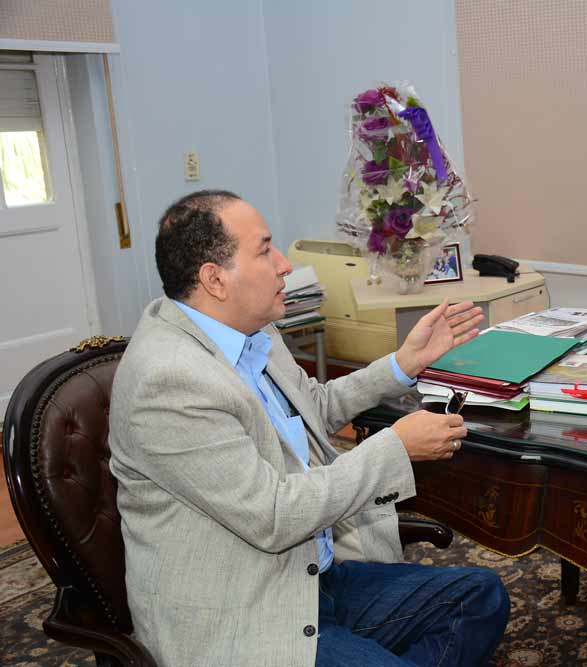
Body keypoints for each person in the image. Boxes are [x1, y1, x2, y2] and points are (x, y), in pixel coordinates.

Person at [108, 190, 509, 666]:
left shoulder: (251, 329)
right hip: (243, 616)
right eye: (264, 251)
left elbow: (311, 408)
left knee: (481, 597)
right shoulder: (169, 381)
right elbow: (274, 516)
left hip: (310, 576)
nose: (284, 265)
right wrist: (395, 448)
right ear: (215, 279)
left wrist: (403, 364)